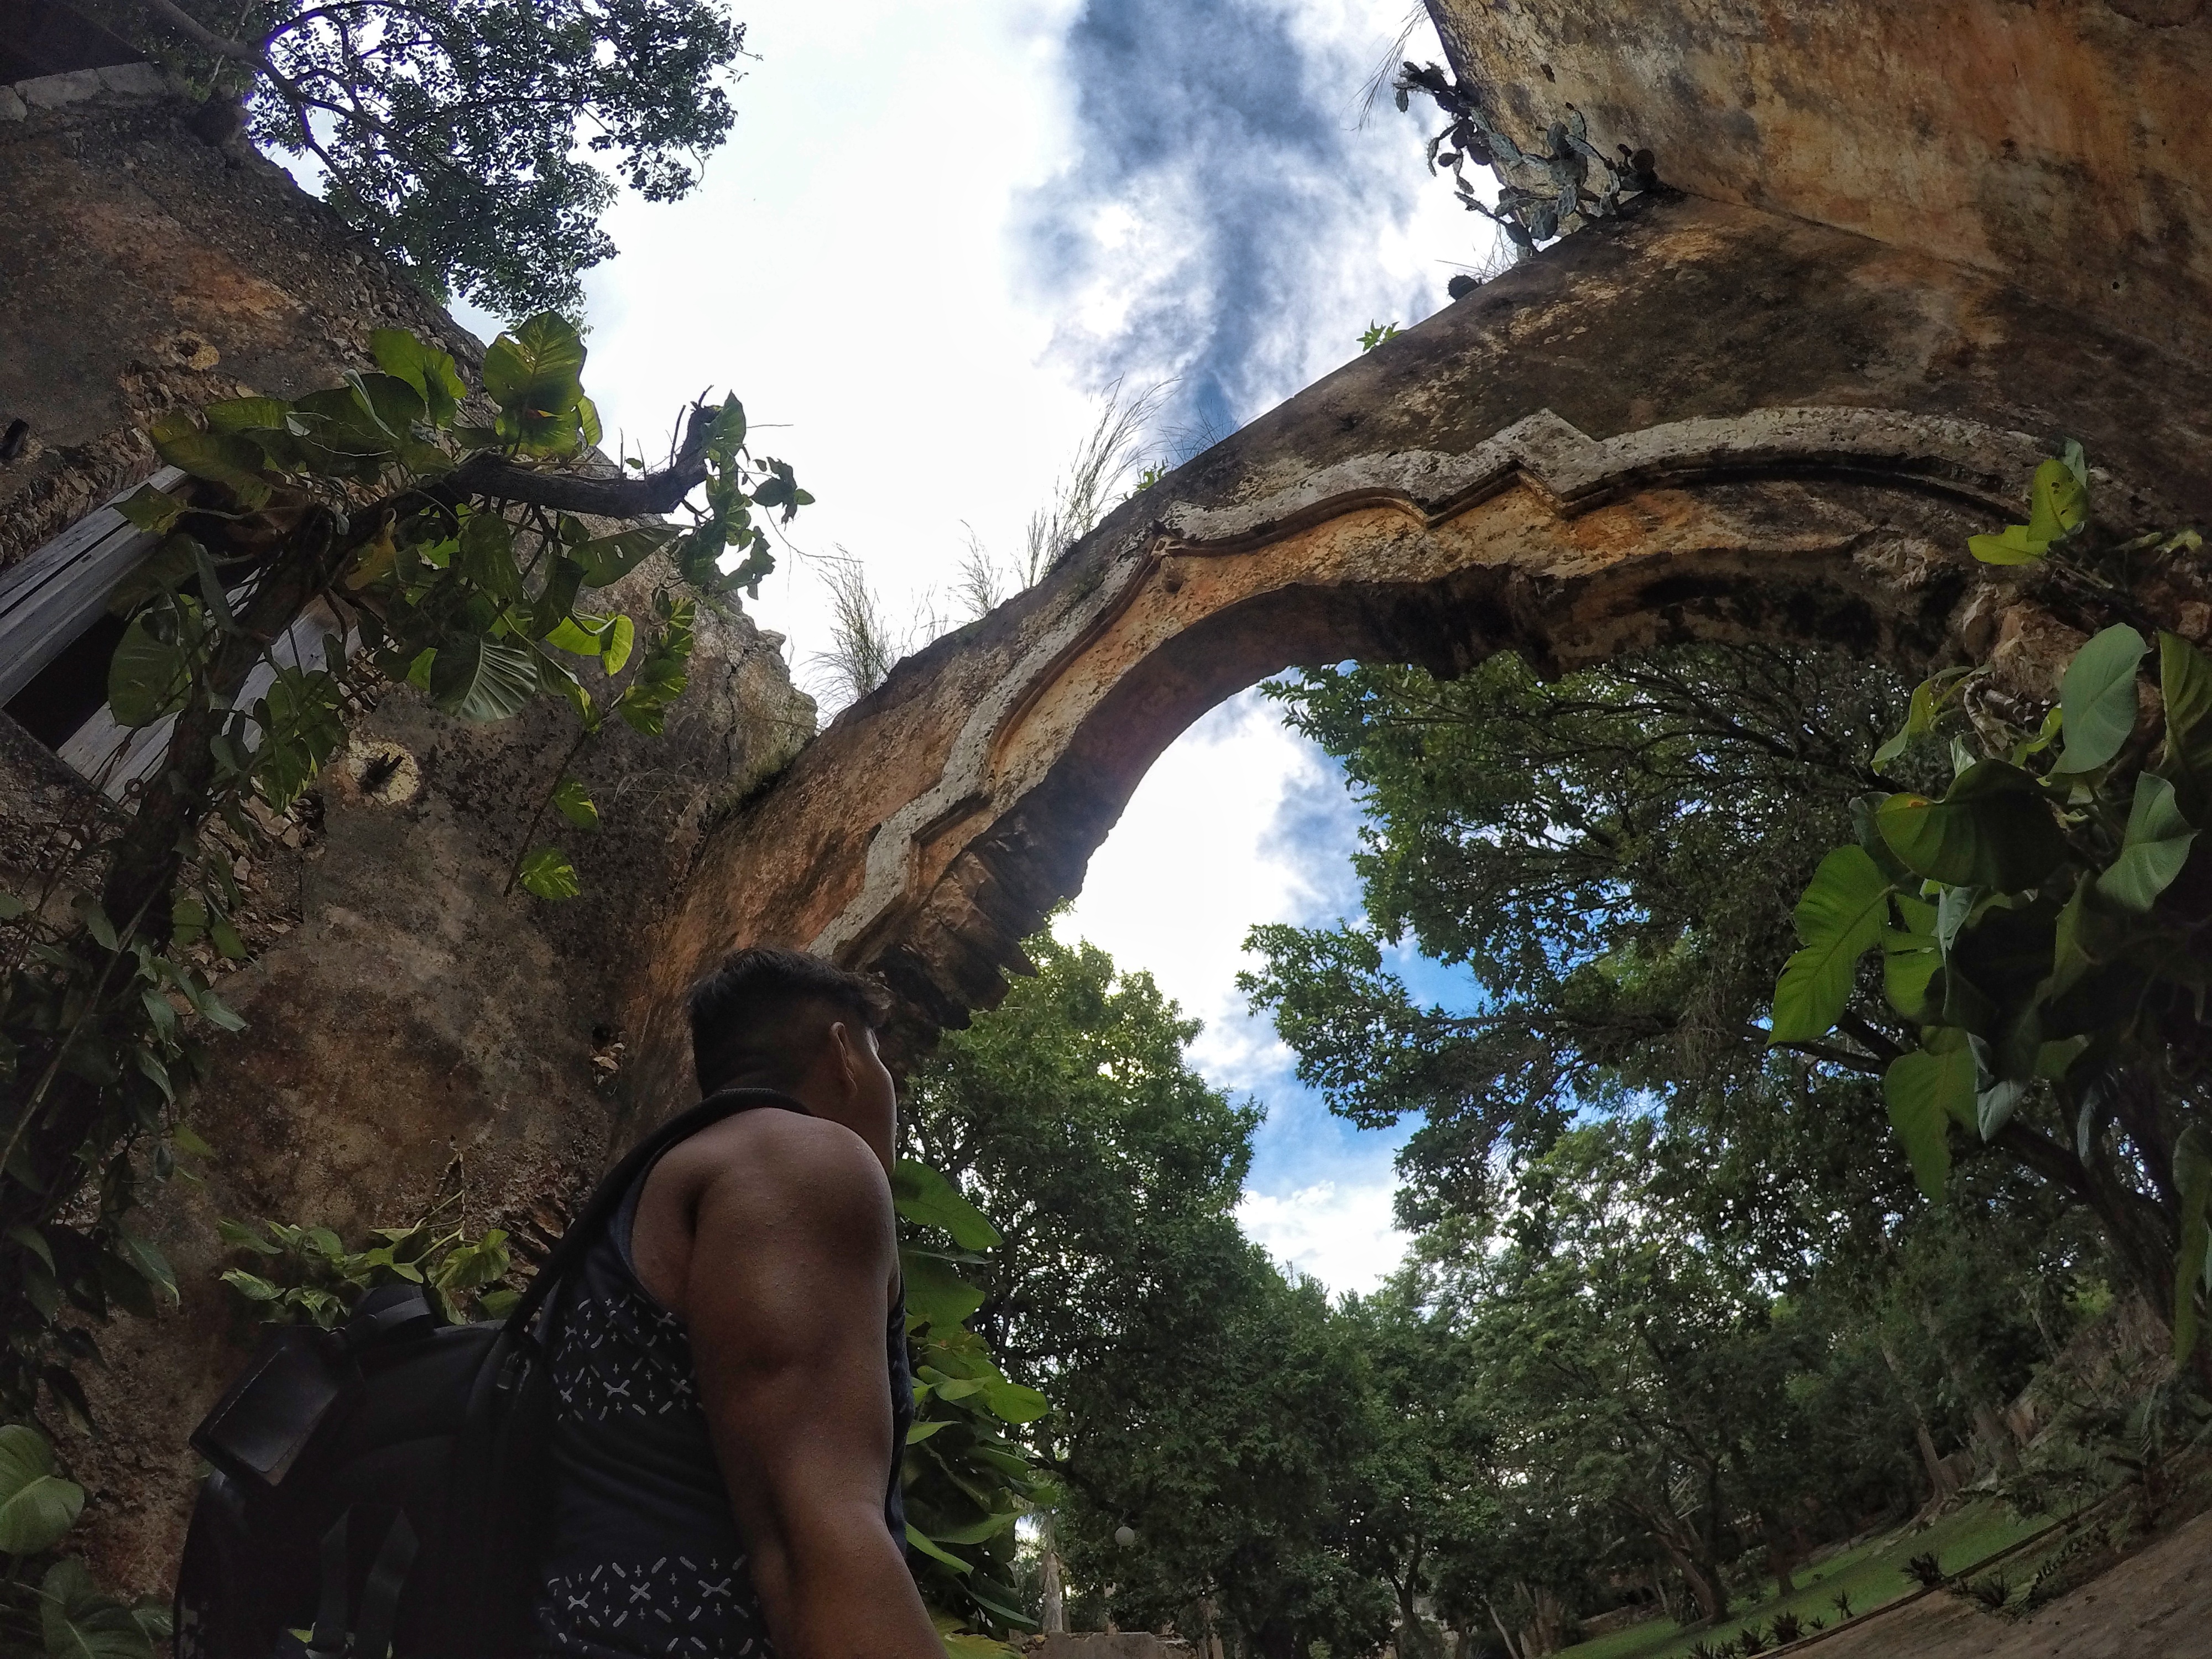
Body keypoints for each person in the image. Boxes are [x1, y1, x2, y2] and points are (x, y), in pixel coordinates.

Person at [531, 948, 946, 1658]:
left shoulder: (630, 1207)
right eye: (882, 1062)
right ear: (843, 1052)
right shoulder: (803, 1163)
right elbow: (813, 1535)